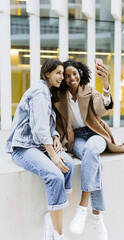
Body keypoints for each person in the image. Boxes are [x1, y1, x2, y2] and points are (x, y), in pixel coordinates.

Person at [54, 59, 124, 240]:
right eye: (67, 76)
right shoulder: (60, 98)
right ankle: (97, 217)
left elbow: (101, 108)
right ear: (64, 80)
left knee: (92, 149)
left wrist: (105, 84)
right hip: (77, 138)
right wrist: (56, 138)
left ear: (80, 74)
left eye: (74, 74)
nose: (71, 78)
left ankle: (83, 207)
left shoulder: (89, 91)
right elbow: (58, 124)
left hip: (96, 134)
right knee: (93, 159)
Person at [6, 59, 74, 240]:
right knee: (55, 175)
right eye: (58, 73)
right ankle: (59, 234)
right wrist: (53, 155)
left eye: (62, 73)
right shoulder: (40, 92)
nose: (62, 77)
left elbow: (45, 126)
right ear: (47, 74)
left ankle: (52, 218)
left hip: (36, 145)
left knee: (69, 165)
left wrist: (56, 137)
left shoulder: (46, 92)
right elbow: (39, 129)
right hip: (22, 148)